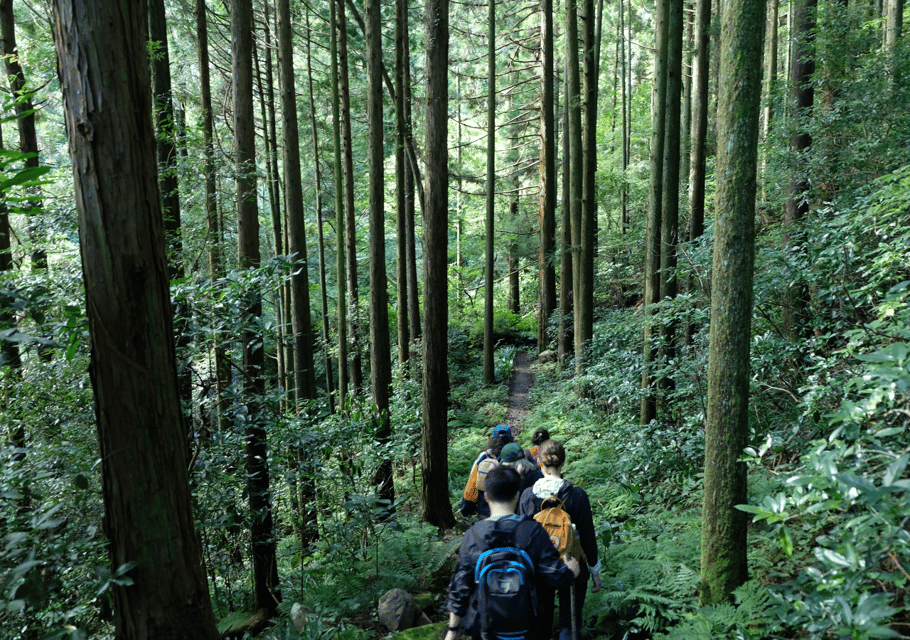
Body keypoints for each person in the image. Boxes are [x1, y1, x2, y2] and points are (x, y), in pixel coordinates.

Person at [445, 466, 581, 640]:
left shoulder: (474, 535)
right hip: (530, 629)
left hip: (485, 630)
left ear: (486, 496)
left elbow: (460, 586)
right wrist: (571, 571)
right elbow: (555, 576)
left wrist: (452, 630)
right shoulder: (533, 531)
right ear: (517, 494)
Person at [519, 439, 602, 640]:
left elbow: (522, 540)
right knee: (570, 621)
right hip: (572, 564)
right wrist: (595, 570)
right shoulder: (577, 495)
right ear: (563, 463)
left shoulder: (528, 496)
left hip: (540, 568)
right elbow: (588, 537)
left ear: (539, 462)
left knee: (541, 621)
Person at [460, 424, 514, 518]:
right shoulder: (516, 457)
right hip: (510, 511)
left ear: (492, 438)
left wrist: (466, 509)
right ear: (511, 439)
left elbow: (472, 484)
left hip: (485, 511)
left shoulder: (484, 456)